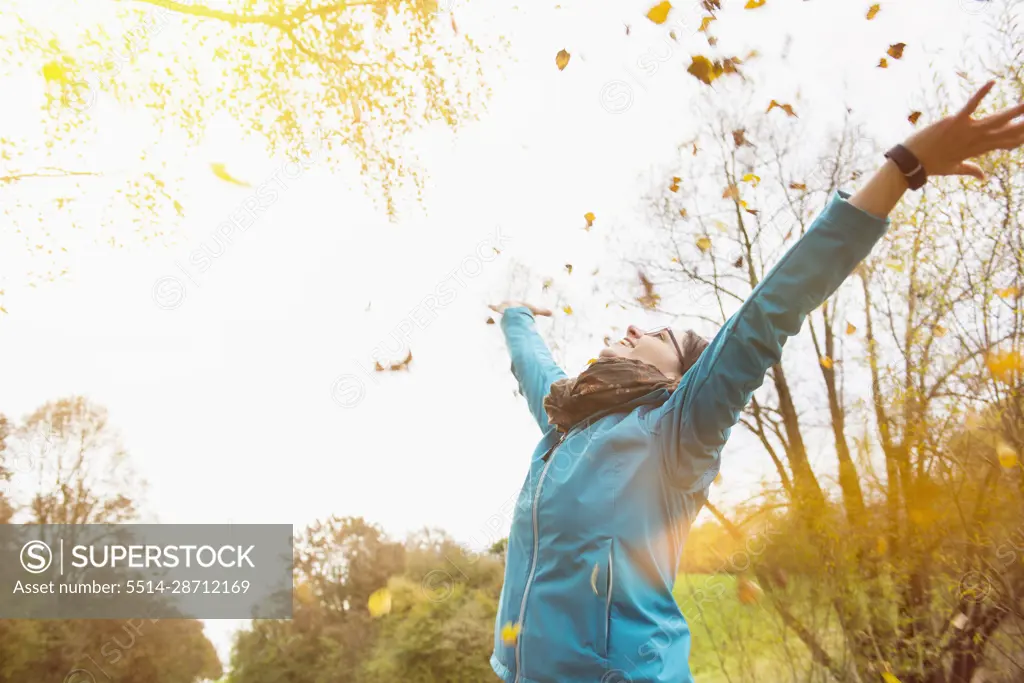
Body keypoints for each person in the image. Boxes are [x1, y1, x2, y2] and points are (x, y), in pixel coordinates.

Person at [486, 81, 1024, 683]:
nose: (636, 325)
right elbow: (535, 365)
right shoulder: (564, 425)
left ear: (676, 379)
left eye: (659, 336)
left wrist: (902, 168)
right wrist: (516, 313)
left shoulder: (676, 431)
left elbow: (769, 312)